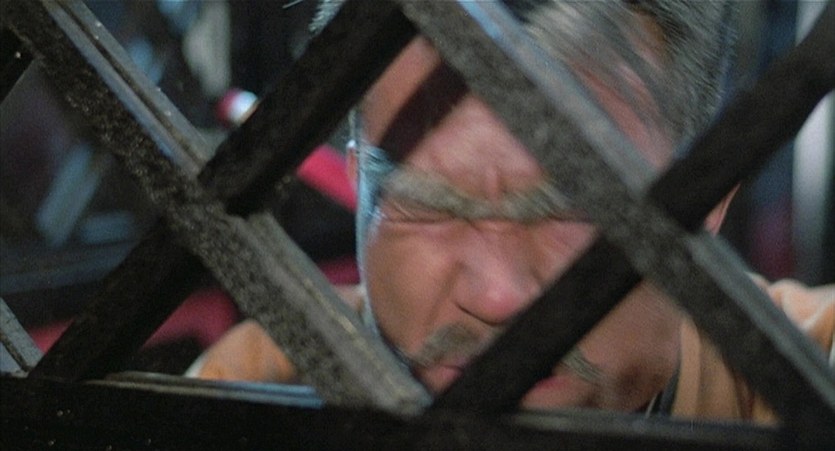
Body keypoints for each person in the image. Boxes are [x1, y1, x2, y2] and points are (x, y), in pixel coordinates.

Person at [189, 0, 834, 422]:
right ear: (361, 190)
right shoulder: (257, 385)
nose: (497, 295)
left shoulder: (803, 379)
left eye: (581, 208)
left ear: (710, 201)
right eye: (427, 206)